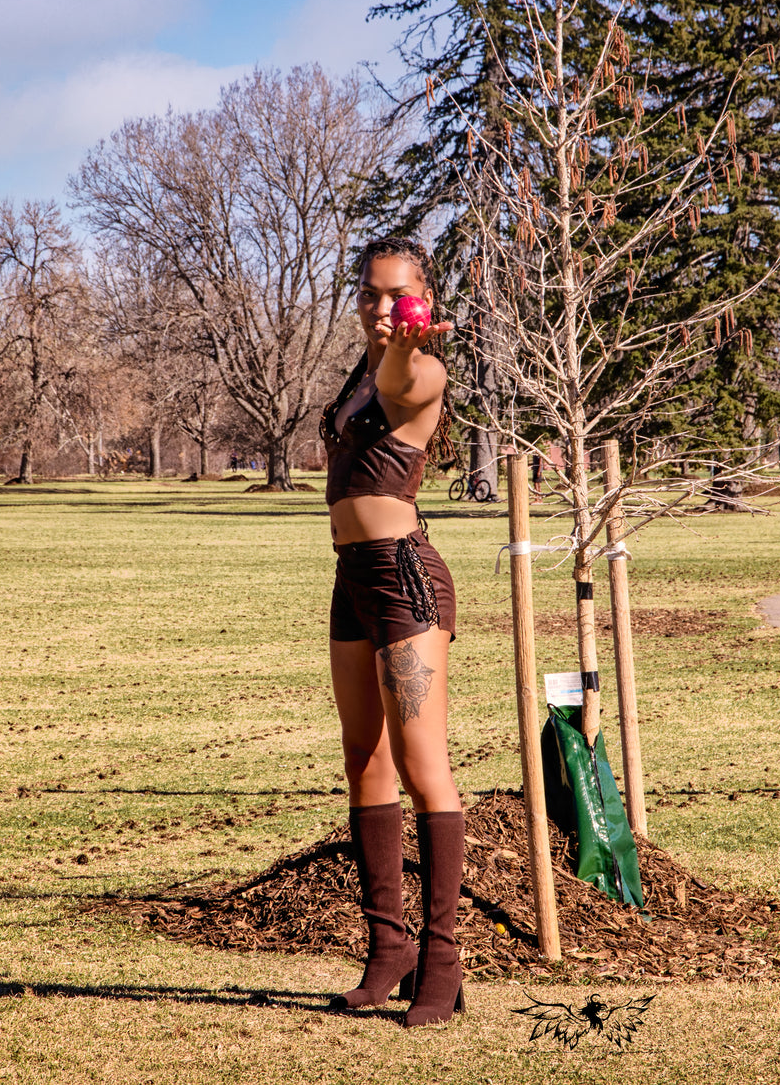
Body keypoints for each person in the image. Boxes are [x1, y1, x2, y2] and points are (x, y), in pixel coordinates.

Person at [319, 236, 464, 1026]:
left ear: (424, 303)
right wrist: (385, 346)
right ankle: (388, 948)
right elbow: (376, 375)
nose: (381, 308)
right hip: (352, 579)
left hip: (405, 578)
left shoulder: (419, 367)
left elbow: (404, 381)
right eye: (371, 294)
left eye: (397, 295)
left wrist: (406, 347)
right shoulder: (358, 370)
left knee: (421, 766)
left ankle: (440, 958)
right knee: (362, 760)